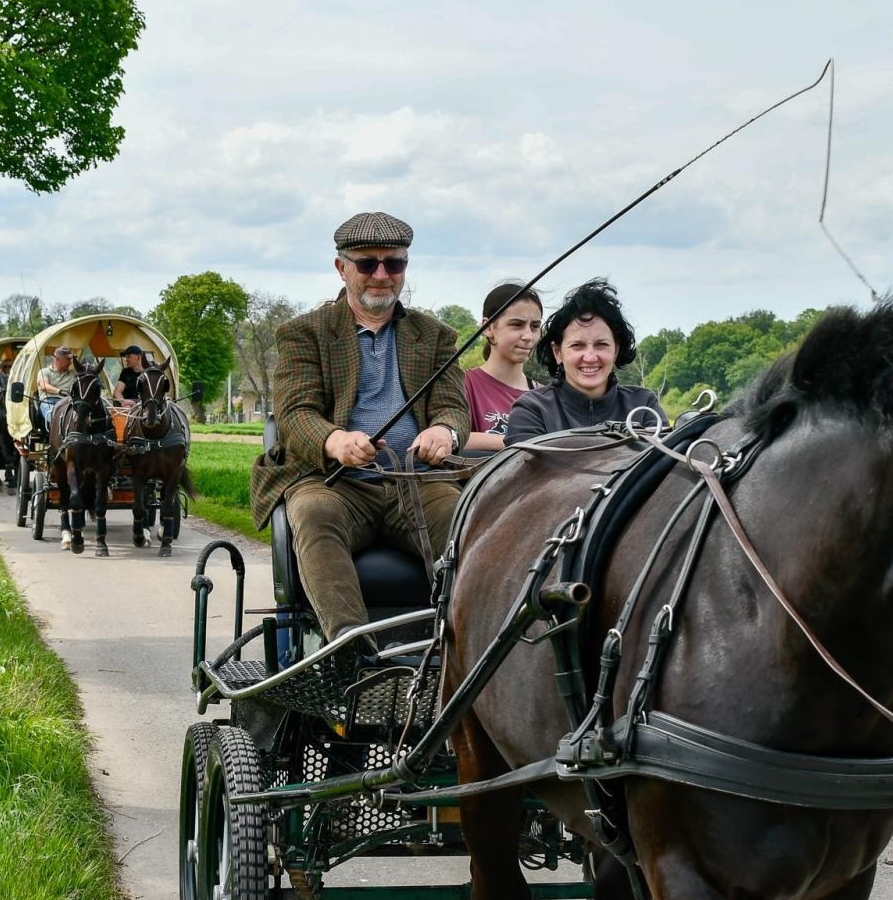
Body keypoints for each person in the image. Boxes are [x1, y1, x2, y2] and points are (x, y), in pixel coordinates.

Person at [250, 211, 470, 641]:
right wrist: (335, 440)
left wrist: (445, 431)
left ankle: (468, 644)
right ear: (342, 267)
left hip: (417, 480)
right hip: (334, 481)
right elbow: (295, 413)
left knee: (471, 521)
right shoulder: (303, 333)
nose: (382, 275)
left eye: (395, 263)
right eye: (368, 264)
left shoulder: (436, 336)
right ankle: (351, 649)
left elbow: (453, 408)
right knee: (313, 513)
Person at [505, 278, 664, 444]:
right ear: (558, 352)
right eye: (577, 345)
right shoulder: (532, 409)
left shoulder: (644, 406)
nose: (590, 357)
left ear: (616, 350)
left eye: (601, 345)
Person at [464, 283, 543, 451]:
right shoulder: (463, 384)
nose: (528, 336)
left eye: (535, 326)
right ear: (488, 327)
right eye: (517, 325)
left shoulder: (545, 397)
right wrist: (526, 444)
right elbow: (451, 437)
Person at [37, 346, 78, 430]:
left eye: (71, 359)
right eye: (68, 359)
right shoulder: (45, 372)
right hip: (49, 401)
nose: (70, 362)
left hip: (69, 402)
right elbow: (44, 385)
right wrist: (59, 391)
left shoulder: (73, 374)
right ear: (58, 359)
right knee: (56, 418)